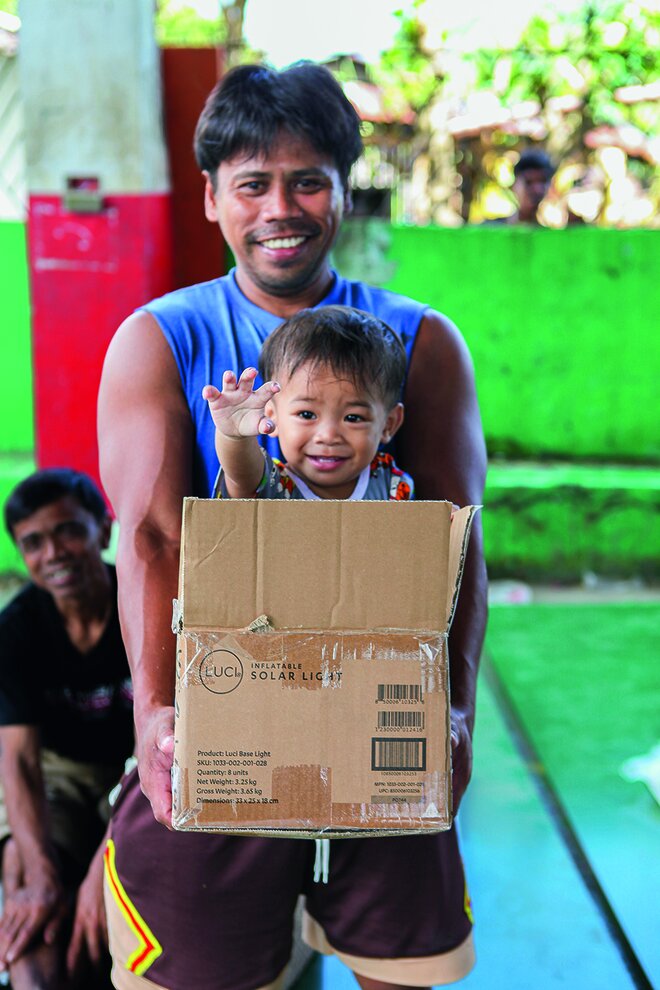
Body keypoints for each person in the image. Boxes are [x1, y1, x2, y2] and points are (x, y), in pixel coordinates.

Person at [98, 62, 487, 990]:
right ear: (211, 199)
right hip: (225, 727)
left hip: (380, 732)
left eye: (308, 179)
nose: (283, 206)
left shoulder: (420, 342)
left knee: (409, 969)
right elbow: (149, 540)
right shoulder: (161, 338)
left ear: (345, 191)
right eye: (253, 183)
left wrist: (459, 707)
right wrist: (157, 715)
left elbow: (455, 539)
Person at [0, 468, 134, 989]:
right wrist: (43, 880)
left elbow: (169, 749)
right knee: (23, 879)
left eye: (69, 531)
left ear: (103, 530)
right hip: (62, 774)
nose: (53, 553)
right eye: (33, 543)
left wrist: (106, 861)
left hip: (142, 775)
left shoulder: (143, 605)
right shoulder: (16, 632)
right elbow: (19, 762)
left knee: (125, 885)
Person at [204, 306, 410, 502]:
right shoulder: (272, 486)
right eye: (306, 414)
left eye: (353, 418)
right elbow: (241, 474)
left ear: (388, 424)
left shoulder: (392, 487)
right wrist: (233, 436)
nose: (328, 436)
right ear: (272, 415)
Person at [509, 148, 555, 224]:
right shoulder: (491, 227)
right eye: (529, 182)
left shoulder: (555, 230)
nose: (537, 190)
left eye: (542, 182)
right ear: (514, 186)